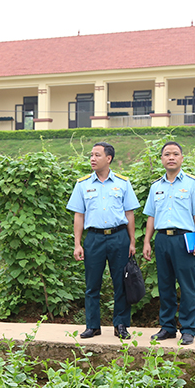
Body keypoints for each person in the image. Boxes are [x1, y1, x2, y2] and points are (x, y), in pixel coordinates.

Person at [66, 142, 139, 339]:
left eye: (97, 155)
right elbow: (79, 216)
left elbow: (129, 214)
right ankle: (93, 325)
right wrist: (77, 244)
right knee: (92, 284)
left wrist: (132, 241)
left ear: (109, 159)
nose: (92, 158)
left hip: (119, 237)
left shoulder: (123, 183)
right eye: (91, 155)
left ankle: (121, 325)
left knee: (121, 283)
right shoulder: (83, 185)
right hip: (94, 238)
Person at [142, 141, 195, 346]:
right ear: (161, 159)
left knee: (187, 286)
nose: (171, 157)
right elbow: (151, 216)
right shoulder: (156, 187)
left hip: (184, 239)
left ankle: (188, 329)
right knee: (165, 285)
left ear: (182, 158)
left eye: (175, 154)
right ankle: (167, 327)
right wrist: (147, 242)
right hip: (162, 239)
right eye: (167, 154)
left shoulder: (192, 183)